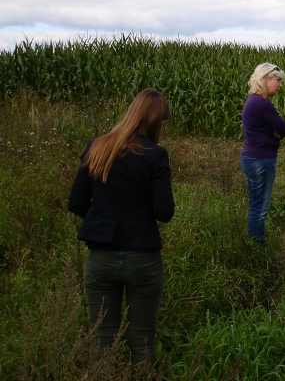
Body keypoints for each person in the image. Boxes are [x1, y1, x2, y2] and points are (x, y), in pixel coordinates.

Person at [68, 88, 175, 368]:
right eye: (162, 122)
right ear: (152, 120)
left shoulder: (97, 147)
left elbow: (76, 202)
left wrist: (104, 217)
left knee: (102, 336)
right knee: (142, 338)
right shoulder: (155, 155)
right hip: (142, 258)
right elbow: (165, 212)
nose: (162, 127)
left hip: (100, 257)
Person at [241, 62, 285, 244]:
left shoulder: (252, 101)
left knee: (256, 205)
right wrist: (276, 133)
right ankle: (256, 248)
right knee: (260, 208)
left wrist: (273, 133)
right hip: (261, 160)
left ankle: (255, 244)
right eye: (277, 80)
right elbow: (284, 128)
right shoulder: (262, 104)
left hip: (252, 157)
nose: (280, 85)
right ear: (265, 79)